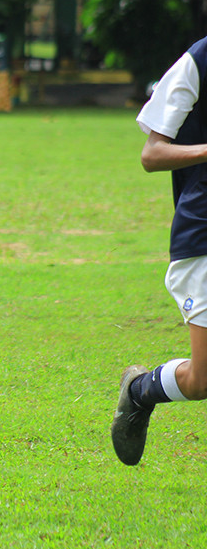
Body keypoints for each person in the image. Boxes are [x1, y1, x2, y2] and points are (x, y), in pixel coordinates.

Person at [112, 36, 207, 465]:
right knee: (201, 381)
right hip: (203, 234)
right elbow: (152, 154)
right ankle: (140, 391)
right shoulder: (198, 61)